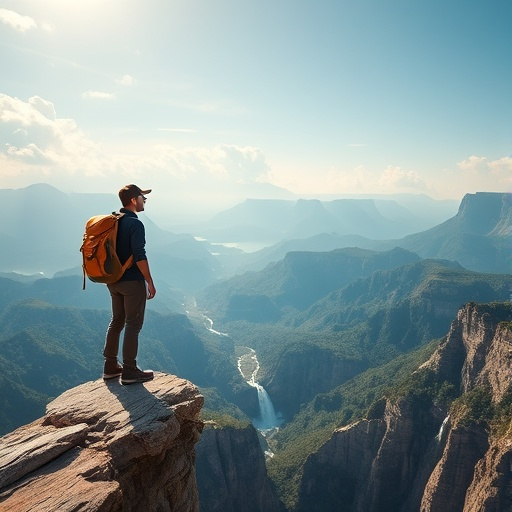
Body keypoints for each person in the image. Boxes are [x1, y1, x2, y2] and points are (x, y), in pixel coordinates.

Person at [102, 184, 157, 385]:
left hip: (113, 280)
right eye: (143, 197)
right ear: (134, 200)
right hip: (132, 281)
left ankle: (110, 366)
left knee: (116, 321)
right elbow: (139, 256)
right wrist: (149, 281)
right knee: (133, 324)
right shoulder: (135, 224)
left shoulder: (113, 221)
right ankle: (130, 370)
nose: (145, 201)